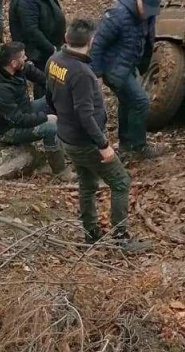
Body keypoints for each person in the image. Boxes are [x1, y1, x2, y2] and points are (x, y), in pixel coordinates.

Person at [46, 18, 148, 253]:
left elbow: (48, 93)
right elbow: (85, 115)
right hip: (85, 141)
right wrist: (103, 144)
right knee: (121, 182)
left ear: (66, 38)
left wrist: (59, 116)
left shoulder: (54, 61)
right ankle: (121, 239)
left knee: (88, 183)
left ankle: (90, 233)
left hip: (67, 137)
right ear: (90, 41)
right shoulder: (81, 72)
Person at [90, 0, 166, 162]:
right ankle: (138, 146)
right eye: (146, 9)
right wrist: (97, 73)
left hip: (129, 65)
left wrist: (144, 65)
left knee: (127, 102)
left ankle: (126, 144)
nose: (148, 13)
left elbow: (148, 39)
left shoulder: (149, 15)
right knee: (140, 101)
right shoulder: (117, 15)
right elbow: (98, 44)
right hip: (113, 67)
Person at [0, 41, 71, 178]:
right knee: (51, 127)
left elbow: (39, 76)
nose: (26, 58)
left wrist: (56, 89)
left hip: (24, 109)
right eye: (23, 56)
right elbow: (17, 119)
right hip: (7, 129)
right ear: (13, 63)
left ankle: (65, 144)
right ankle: (60, 171)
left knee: (54, 100)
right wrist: (45, 117)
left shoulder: (16, 68)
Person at [8, 0, 66, 96]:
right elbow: (31, 30)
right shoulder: (24, 0)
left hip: (52, 42)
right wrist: (49, 48)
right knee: (43, 80)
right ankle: (44, 108)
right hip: (39, 50)